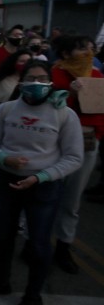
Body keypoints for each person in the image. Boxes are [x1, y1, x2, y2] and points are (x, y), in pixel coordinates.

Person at [0, 60, 83, 305]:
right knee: (4, 236)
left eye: (42, 78)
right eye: (31, 78)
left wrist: (42, 176)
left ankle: (33, 296)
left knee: (38, 243)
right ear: (21, 81)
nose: (36, 83)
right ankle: (2, 281)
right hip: (7, 181)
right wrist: (4, 159)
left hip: (43, 187)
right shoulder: (6, 109)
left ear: (50, 82)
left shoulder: (64, 114)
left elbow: (73, 157)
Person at [49, 35, 104, 274]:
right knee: (45, 195)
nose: (87, 53)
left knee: (71, 201)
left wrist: (98, 135)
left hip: (87, 142)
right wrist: (67, 94)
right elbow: (45, 109)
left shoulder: (97, 76)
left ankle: (63, 246)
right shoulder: (54, 75)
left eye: (90, 49)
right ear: (65, 54)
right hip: (55, 144)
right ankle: (33, 241)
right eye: (81, 49)